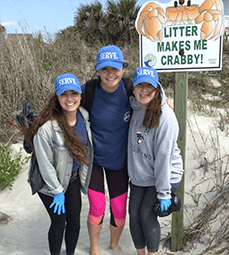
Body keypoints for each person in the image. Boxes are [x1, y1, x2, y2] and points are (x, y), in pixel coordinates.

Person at [23, 73, 93, 255]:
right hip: (49, 184)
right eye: (64, 94)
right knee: (59, 221)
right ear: (57, 97)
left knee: (74, 221)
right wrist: (56, 191)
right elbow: (45, 164)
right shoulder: (47, 128)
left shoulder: (84, 116)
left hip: (72, 177)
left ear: (80, 95)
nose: (70, 99)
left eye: (74, 94)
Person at [128, 66, 184, 255]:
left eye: (149, 86)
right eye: (139, 86)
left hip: (165, 175)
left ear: (157, 88)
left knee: (146, 214)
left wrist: (164, 193)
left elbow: (163, 159)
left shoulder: (166, 118)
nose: (144, 90)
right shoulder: (134, 107)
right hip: (141, 175)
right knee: (134, 216)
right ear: (133, 88)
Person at [81, 45, 131, 255]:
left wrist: (166, 102)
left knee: (119, 209)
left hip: (119, 160)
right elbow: (66, 103)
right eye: (104, 69)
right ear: (98, 70)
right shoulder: (89, 90)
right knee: (97, 207)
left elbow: (150, 97)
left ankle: (113, 244)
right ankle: (94, 247)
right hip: (93, 160)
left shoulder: (130, 88)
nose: (110, 74)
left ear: (123, 69)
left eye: (115, 69)